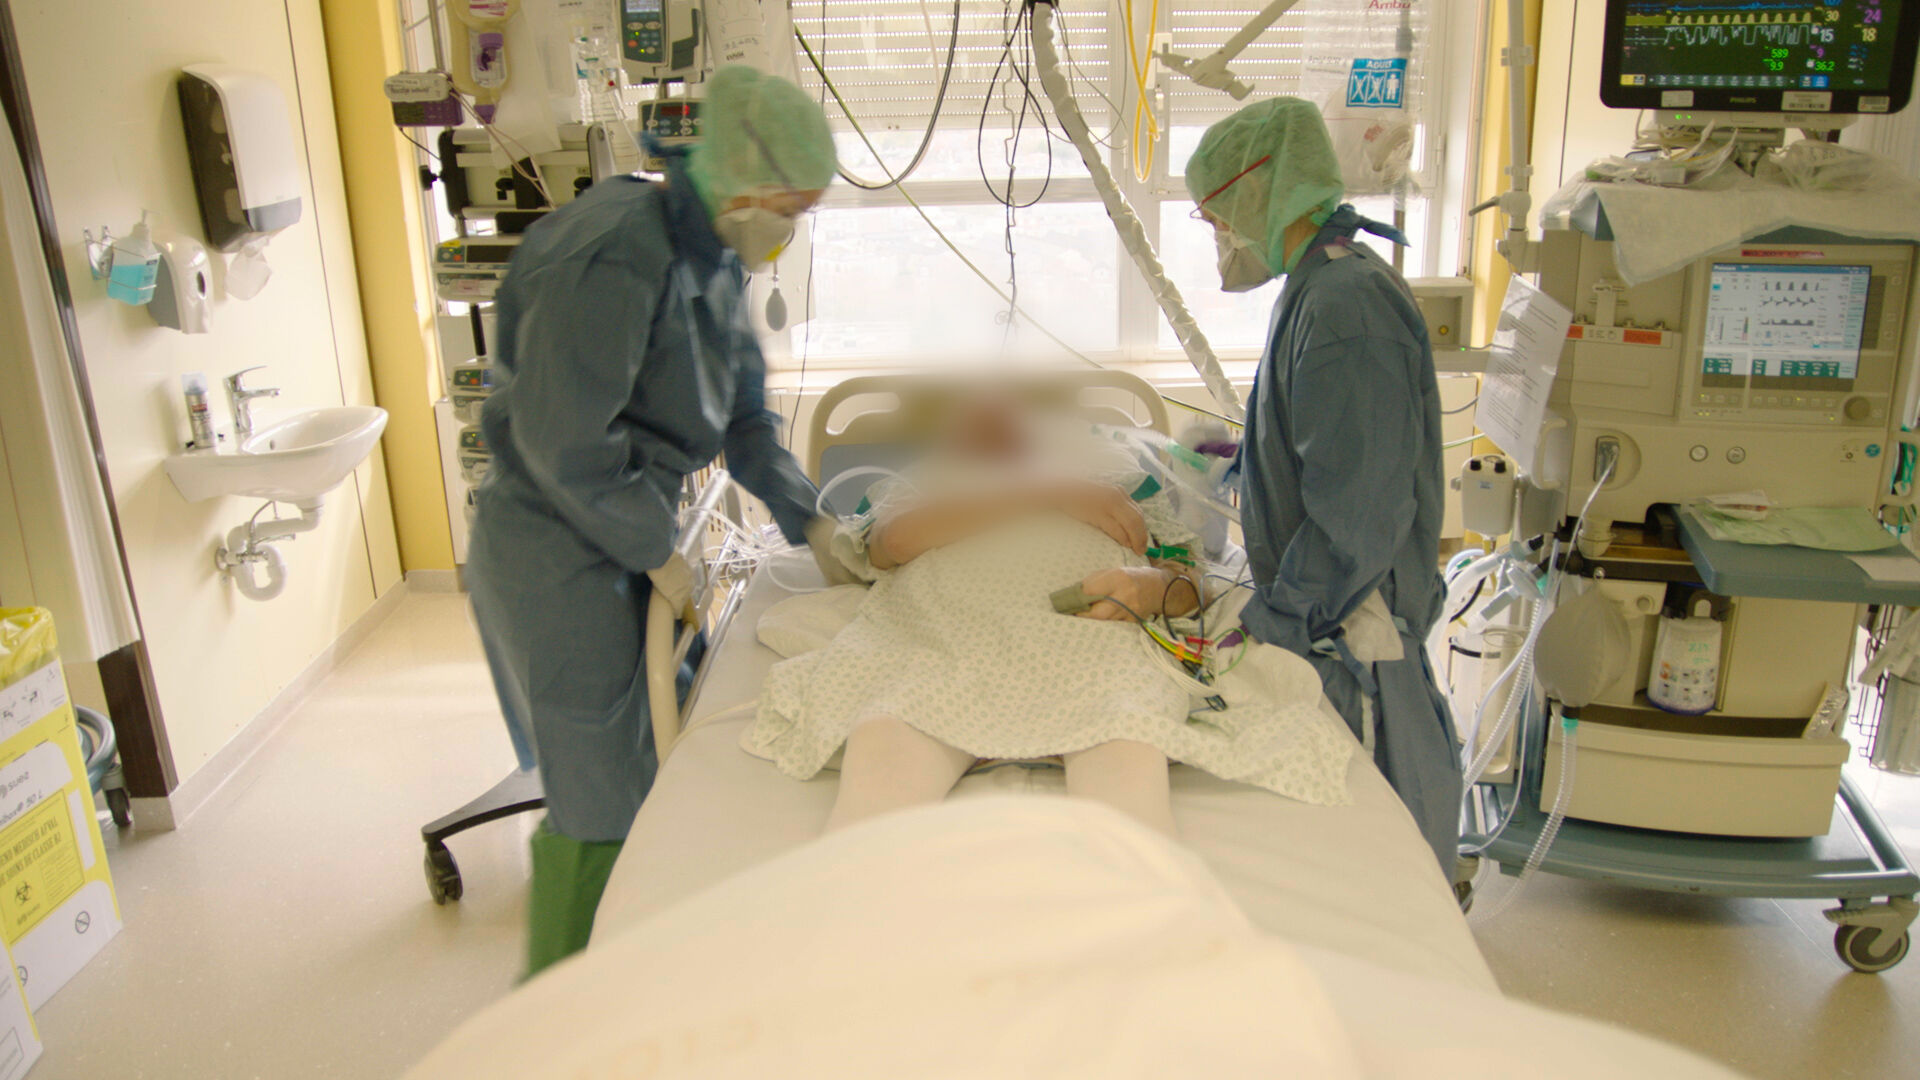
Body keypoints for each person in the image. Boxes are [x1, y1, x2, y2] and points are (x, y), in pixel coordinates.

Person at [466, 65, 849, 977]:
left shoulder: (711, 258)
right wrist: (656, 551)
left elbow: (744, 421)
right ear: (743, 180)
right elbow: (565, 444)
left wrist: (814, 523)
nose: (790, 229)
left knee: (655, 764)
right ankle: (565, 1005)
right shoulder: (613, 254)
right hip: (555, 546)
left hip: (626, 524)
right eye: (790, 207)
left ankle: (643, 951)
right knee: (598, 797)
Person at [745, 396, 1355, 836]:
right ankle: (858, 931)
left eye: (1012, 410)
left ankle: (1149, 935)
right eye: (977, 414)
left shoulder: (1118, 478)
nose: (996, 419)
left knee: (1130, 778)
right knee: (879, 779)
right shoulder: (925, 479)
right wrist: (1046, 492)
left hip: (1090, 644)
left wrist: (1149, 589)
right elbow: (888, 548)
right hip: (943, 635)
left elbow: (1190, 581)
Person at [1185, 97, 1460, 871]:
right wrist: (1250, 458)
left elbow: (1359, 514)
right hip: (1331, 611)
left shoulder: (1345, 307)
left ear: (1258, 191)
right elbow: (1332, 443)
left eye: (1216, 218)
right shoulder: (1320, 284)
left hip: (1349, 626)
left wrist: (1277, 620)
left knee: (1381, 857)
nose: (1218, 235)